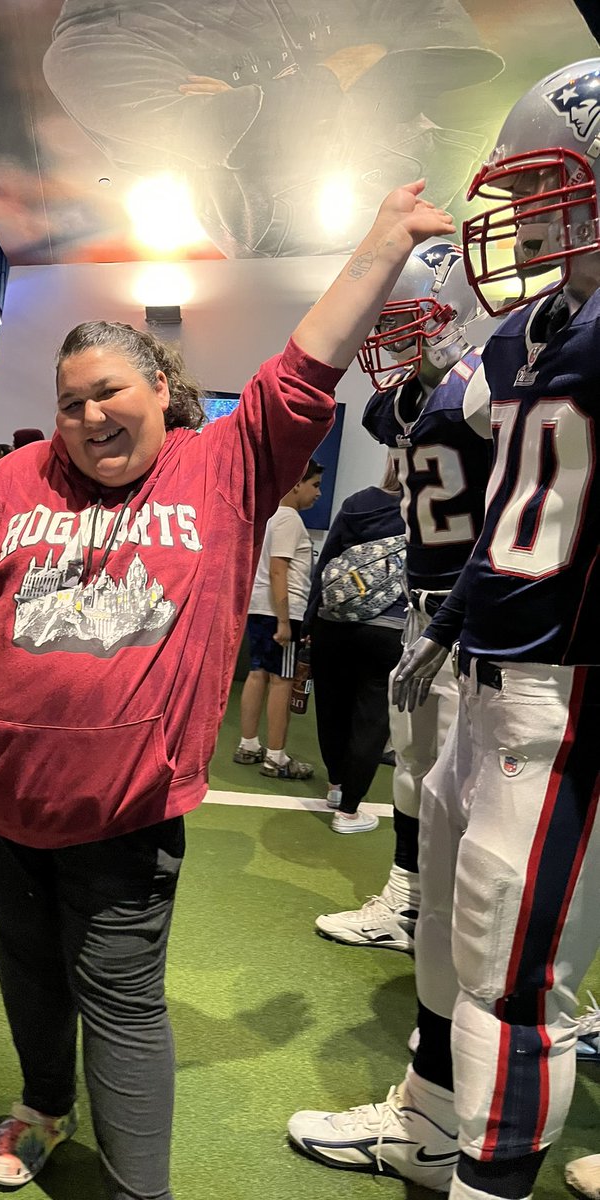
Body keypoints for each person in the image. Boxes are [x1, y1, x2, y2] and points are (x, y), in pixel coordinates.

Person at [0, 180, 454, 1198]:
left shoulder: (225, 467)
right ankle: (40, 1107)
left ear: (162, 386)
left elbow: (305, 367)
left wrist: (382, 245)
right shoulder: (14, 484)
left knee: (119, 1000)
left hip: (121, 820)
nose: (88, 416)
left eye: (109, 391)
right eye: (70, 403)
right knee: (28, 978)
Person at [288, 60, 600, 1200]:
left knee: (513, 978)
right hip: (484, 665)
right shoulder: (528, 338)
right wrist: (454, 618)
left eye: (551, 184)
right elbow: (515, 511)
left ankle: (489, 1181)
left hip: (571, 684)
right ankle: (426, 1131)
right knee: (446, 938)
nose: (524, 215)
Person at [315, 238, 491, 944]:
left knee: (481, 786)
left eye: (401, 319)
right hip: (421, 610)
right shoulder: (407, 402)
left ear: (449, 313)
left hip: (475, 614)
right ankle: (410, 904)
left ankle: (471, 925)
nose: (386, 337)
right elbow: (391, 429)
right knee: (415, 765)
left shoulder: (486, 383)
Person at [43, 0, 502, 258]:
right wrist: (358, 59)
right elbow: (241, 131)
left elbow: (442, 38)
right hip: (296, 246)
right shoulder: (89, 44)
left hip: (437, 184)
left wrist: (273, 91)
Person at [303, 460, 405, 832]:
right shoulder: (424, 511)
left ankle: (335, 784)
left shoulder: (358, 503)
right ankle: (348, 811)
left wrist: (311, 619)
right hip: (388, 627)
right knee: (372, 715)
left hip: (335, 622)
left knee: (331, 706)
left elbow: (326, 562)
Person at [233, 459, 322, 780]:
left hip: (261, 609)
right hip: (279, 613)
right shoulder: (288, 519)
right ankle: (276, 757)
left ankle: (248, 745)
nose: (318, 493)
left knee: (258, 674)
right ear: (296, 483)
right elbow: (278, 569)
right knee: (281, 681)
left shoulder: (271, 518)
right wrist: (285, 621)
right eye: (314, 485)